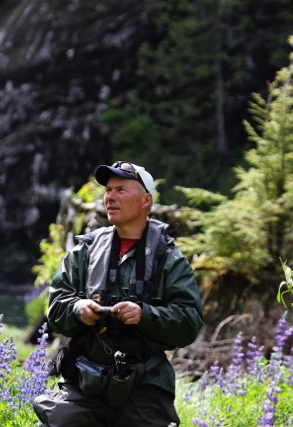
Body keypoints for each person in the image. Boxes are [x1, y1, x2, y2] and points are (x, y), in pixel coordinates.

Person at [33, 161, 203, 427]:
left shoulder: (170, 260)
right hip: (84, 384)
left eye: (121, 189)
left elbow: (189, 322)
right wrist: (79, 310)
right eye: (108, 190)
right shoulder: (83, 253)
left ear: (146, 200)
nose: (110, 197)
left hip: (146, 385)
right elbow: (55, 312)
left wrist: (145, 315)